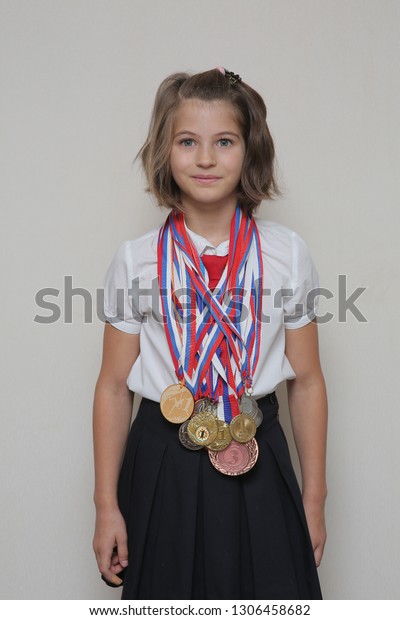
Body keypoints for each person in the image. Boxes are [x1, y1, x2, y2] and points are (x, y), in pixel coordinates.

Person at [92, 67, 328, 600]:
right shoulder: (136, 261)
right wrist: (106, 503)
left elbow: (308, 381)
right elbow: (112, 386)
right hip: (162, 455)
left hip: (257, 446)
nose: (205, 159)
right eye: (187, 142)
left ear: (251, 151)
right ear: (164, 152)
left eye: (224, 141)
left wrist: (314, 497)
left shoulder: (286, 254)